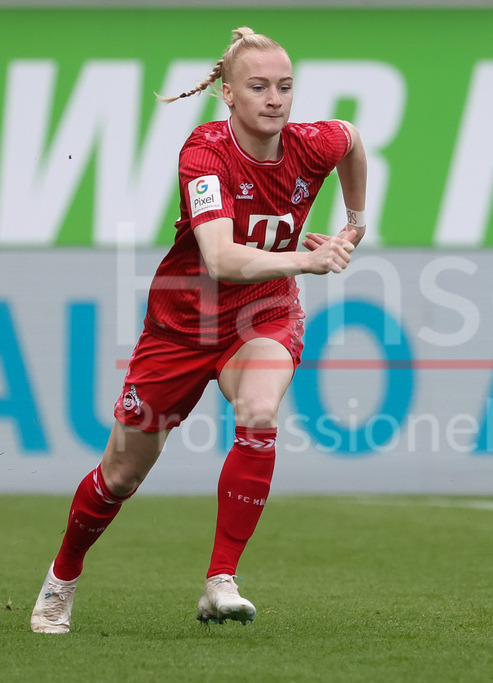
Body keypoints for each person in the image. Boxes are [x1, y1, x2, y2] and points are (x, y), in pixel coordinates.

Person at [30, 26, 367, 633]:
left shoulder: (311, 144)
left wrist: (356, 220)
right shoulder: (205, 153)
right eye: (258, 87)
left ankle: (221, 580)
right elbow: (220, 259)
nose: (275, 99)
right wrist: (308, 259)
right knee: (121, 476)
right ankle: (63, 575)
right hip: (180, 327)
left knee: (259, 410)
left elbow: (351, 139)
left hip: (263, 315)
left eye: (285, 86)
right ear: (228, 95)